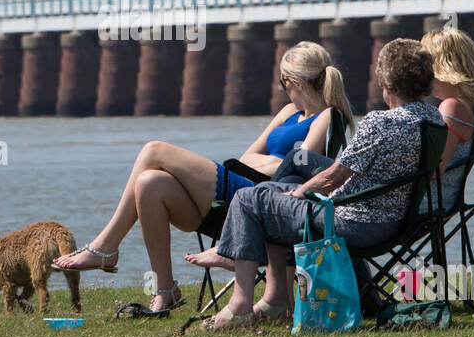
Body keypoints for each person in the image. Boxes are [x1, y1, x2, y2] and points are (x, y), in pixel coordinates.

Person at [52, 41, 355, 314]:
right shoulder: (289, 111)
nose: (283, 89)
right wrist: (277, 161)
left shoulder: (329, 116)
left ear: (294, 82)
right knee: (148, 183)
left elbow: (298, 169)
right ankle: (165, 289)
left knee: (153, 150)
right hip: (240, 193)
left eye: (283, 82)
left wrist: (276, 162)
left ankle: (106, 248)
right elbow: (246, 157)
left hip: (264, 204)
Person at [188, 38, 443, 330]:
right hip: (395, 221)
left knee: (248, 199)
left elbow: (333, 177)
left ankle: (241, 304)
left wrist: (299, 192)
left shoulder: (380, 123)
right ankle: (273, 297)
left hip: (352, 222)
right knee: (266, 192)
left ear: (386, 80)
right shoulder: (434, 120)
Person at [418, 26, 474, 214]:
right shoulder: (473, 105)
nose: (422, 73)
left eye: (425, 65)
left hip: (426, 203)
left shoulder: (452, 107)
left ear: (440, 66)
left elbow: (435, 170)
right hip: (444, 199)